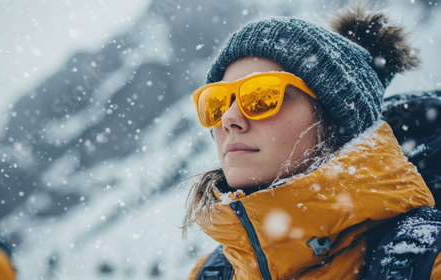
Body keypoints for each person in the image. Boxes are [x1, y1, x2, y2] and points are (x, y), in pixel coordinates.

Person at [183, 5, 440, 280]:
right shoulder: (209, 273)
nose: (229, 118)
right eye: (217, 103)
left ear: (335, 118)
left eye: (262, 95)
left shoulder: (426, 264)